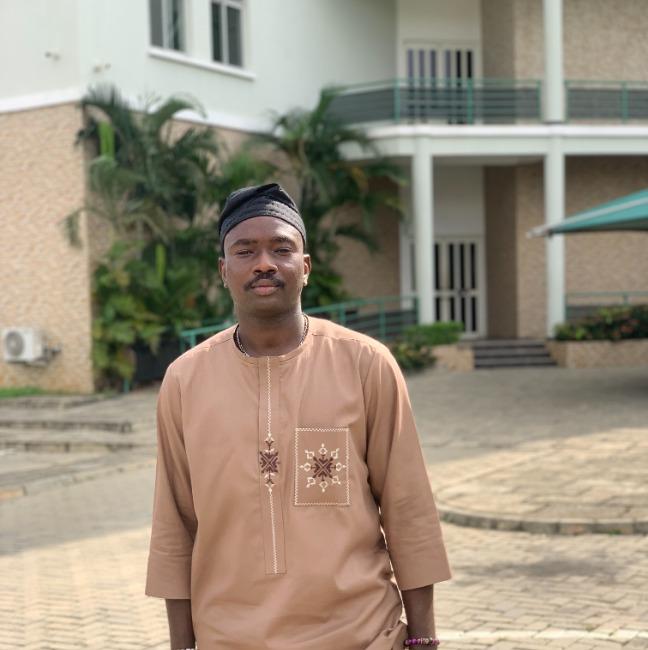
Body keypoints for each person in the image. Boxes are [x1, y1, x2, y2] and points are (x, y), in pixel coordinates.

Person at [145, 183, 451, 650]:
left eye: (281, 249)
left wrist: (423, 640)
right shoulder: (186, 380)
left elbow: (407, 508)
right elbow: (175, 526)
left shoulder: (365, 363)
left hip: (362, 635)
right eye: (245, 251)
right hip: (229, 638)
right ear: (224, 270)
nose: (264, 263)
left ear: (305, 267)